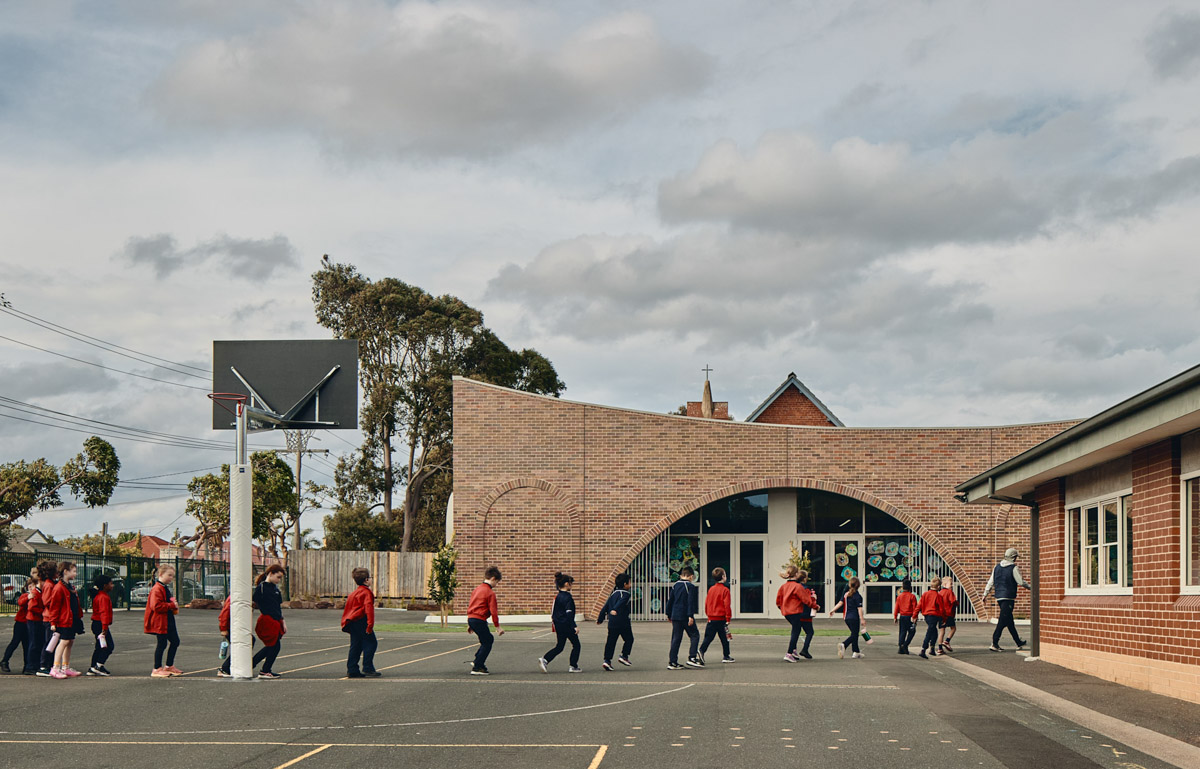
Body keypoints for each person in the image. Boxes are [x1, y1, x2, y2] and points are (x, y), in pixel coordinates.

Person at [984, 547, 1030, 652]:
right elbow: (1021, 582)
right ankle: (994, 643)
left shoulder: (996, 567)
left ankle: (1018, 641)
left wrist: (985, 594)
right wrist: (1032, 587)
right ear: (1013, 557)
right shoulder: (1013, 568)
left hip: (999, 597)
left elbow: (991, 582)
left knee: (1009, 621)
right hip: (1008, 597)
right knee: (1002, 620)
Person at [143, 564, 181, 677]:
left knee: (175, 641)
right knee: (162, 644)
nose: (171, 578)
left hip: (167, 619)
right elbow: (156, 606)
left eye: (172, 576)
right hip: (160, 621)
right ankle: (156, 668)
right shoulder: (157, 589)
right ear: (160, 574)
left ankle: (169, 665)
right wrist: (171, 605)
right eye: (169, 575)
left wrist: (173, 605)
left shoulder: (164, 587)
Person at [539, 572, 581, 673]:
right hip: (566, 624)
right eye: (571, 583)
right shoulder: (568, 597)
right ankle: (573, 665)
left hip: (559, 624)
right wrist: (574, 626)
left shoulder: (558, 597)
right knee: (576, 645)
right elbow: (569, 613)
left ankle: (545, 659)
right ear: (566, 584)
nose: (572, 585)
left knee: (560, 646)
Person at [342, 567, 380, 678]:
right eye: (370, 578)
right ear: (366, 580)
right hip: (361, 620)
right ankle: (368, 667)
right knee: (371, 643)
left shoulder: (354, 593)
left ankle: (352, 669)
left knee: (356, 645)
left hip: (352, 621)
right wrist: (370, 625)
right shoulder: (367, 592)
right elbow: (369, 609)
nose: (371, 579)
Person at [466, 566, 505, 676]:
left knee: (485, 640)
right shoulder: (489, 592)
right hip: (479, 619)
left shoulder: (477, 589)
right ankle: (477, 665)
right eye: (496, 582)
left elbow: (472, 605)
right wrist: (497, 627)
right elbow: (494, 611)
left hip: (472, 618)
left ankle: (478, 660)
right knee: (488, 641)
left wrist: (471, 624)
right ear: (493, 579)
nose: (496, 585)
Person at [252, 564, 287, 679]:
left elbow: (277, 607)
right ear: (271, 574)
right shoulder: (261, 588)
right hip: (267, 620)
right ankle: (264, 669)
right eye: (278, 577)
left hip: (276, 620)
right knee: (274, 645)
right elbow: (254, 602)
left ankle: (261, 668)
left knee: (273, 646)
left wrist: (283, 621)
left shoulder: (275, 589)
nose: (279, 580)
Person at [777, 566, 818, 661]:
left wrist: (782, 608)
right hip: (795, 611)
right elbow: (806, 600)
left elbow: (778, 601)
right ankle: (789, 653)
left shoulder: (783, 586)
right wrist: (816, 606)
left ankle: (794, 651)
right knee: (796, 631)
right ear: (796, 574)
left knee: (796, 629)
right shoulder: (797, 587)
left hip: (786, 613)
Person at [48, 561, 81, 678]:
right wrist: (53, 622)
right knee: (64, 641)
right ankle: (55, 667)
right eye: (74, 571)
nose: (75, 574)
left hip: (71, 619)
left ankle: (65, 667)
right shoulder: (59, 588)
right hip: (64, 619)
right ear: (66, 572)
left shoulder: (70, 586)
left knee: (70, 641)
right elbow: (54, 607)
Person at [665, 565, 702, 670]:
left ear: (681, 575)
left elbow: (670, 600)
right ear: (691, 576)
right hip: (685, 615)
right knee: (695, 635)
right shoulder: (690, 586)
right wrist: (691, 615)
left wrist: (668, 613)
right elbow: (690, 602)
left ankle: (672, 661)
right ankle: (692, 657)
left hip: (675, 615)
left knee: (676, 638)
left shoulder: (675, 585)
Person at [596, 572, 634, 671]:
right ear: (625, 584)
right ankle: (624, 656)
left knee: (611, 641)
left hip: (612, 622)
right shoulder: (626, 594)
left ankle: (607, 660)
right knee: (629, 639)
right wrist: (615, 609)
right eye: (630, 582)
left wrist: (600, 618)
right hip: (623, 621)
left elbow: (606, 606)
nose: (630, 584)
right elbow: (621, 602)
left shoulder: (613, 593)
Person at [699, 567, 734, 664]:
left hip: (711, 618)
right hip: (721, 618)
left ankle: (701, 650)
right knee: (724, 637)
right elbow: (727, 605)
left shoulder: (711, 589)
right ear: (723, 577)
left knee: (709, 637)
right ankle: (726, 655)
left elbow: (707, 603)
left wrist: (708, 615)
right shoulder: (725, 590)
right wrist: (728, 618)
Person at [830, 576, 866, 659]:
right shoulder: (858, 596)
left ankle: (856, 652)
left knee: (854, 633)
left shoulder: (846, 595)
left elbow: (840, 603)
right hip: (854, 618)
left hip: (846, 617)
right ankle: (844, 644)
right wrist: (862, 619)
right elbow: (859, 609)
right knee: (854, 634)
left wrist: (833, 610)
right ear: (858, 585)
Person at [1, 578, 31, 673]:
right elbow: (20, 602)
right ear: (26, 587)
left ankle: (27, 665)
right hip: (20, 623)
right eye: (29, 586)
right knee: (15, 642)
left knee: (27, 645)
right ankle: (5, 661)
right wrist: (28, 597)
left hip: (29, 623)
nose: (31, 588)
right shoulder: (25, 595)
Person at [88, 574, 115, 676]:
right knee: (108, 646)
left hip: (97, 624)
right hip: (100, 624)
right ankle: (98, 666)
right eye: (110, 583)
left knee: (99, 647)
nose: (112, 586)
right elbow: (103, 613)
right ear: (105, 585)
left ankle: (93, 666)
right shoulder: (103, 597)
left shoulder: (99, 595)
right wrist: (104, 627)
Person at [36, 560, 59, 676]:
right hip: (49, 618)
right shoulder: (49, 585)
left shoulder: (51, 584)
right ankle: (43, 666)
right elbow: (47, 601)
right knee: (49, 642)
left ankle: (48, 665)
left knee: (52, 642)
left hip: (51, 617)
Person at [916, 576, 945, 659]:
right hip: (934, 616)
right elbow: (941, 609)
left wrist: (915, 615)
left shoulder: (925, 594)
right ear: (938, 587)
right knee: (930, 631)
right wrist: (943, 619)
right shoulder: (938, 596)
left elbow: (919, 605)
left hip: (927, 616)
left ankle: (932, 648)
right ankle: (923, 649)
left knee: (934, 631)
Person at [25, 568, 44, 676]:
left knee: (36, 642)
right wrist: (42, 611)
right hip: (33, 620)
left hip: (36, 619)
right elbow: (32, 607)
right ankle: (30, 666)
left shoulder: (38, 592)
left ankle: (34, 664)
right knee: (33, 643)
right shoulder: (35, 592)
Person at [893, 578, 918, 655]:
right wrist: (915, 616)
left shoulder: (899, 597)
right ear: (910, 587)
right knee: (912, 631)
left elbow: (897, 607)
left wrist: (895, 616)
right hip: (910, 616)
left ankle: (901, 646)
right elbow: (915, 607)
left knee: (902, 632)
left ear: (902, 587)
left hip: (902, 616)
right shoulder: (912, 596)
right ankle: (905, 644)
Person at [937, 575, 959, 654]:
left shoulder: (940, 593)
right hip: (949, 613)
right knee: (953, 628)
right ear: (945, 584)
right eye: (950, 583)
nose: (952, 585)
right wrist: (957, 603)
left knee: (942, 631)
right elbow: (953, 601)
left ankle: (939, 648)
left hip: (941, 614)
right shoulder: (950, 592)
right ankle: (947, 641)